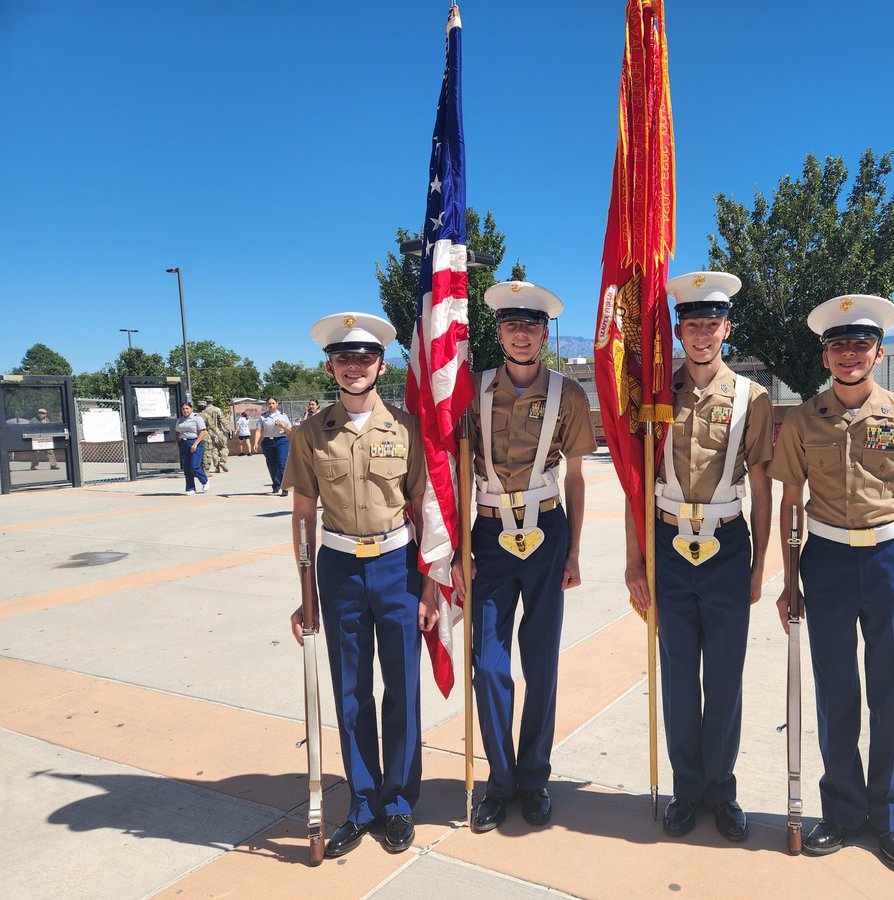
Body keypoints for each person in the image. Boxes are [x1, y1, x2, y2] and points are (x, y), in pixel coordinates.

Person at [769, 294, 894, 872]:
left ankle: (890, 818)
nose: (849, 355)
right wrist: (789, 580)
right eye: (838, 345)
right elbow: (789, 505)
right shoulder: (802, 420)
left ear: (878, 351)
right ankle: (843, 812)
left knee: (891, 690)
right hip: (824, 559)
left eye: (860, 345)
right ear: (825, 355)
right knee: (835, 688)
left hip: (890, 560)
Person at [624, 271, 773, 842]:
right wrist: (636, 562)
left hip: (727, 545)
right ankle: (688, 788)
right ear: (678, 331)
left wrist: (761, 565)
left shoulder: (750, 399)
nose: (702, 334)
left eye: (712, 324)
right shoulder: (657, 397)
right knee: (680, 672)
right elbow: (636, 484)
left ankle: (722, 788)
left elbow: (762, 487)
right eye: (692, 325)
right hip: (668, 542)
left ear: (726, 329)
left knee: (726, 675)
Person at [284, 311, 439, 858]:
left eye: (365, 358)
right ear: (330, 365)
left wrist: (430, 587)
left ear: (381, 364)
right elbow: (304, 518)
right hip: (340, 569)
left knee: (401, 688)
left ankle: (397, 803)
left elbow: (424, 510)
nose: (354, 367)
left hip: (397, 567)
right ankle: (363, 802)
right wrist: (307, 597)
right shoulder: (309, 433)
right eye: (344, 358)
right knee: (351, 692)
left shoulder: (407, 429)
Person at [452, 281, 596, 834]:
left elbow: (578, 478)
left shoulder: (570, 395)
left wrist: (575, 551)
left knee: (541, 663)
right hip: (488, 536)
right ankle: (499, 779)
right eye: (511, 324)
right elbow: (457, 471)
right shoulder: (472, 390)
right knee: (488, 664)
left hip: (546, 533)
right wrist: (459, 552)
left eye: (531, 325)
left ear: (544, 333)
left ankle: (534, 777)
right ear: (499, 331)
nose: (521, 334)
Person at [254, 396, 292, 495]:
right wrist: (256, 442)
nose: (271, 405)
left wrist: (283, 426)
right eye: (269, 403)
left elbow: (290, 431)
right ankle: (276, 485)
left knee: (282, 464)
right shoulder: (263, 416)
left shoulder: (283, 415)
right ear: (267, 405)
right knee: (271, 464)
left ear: (277, 404)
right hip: (268, 442)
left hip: (281, 441)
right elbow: (258, 430)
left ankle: (285, 487)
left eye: (273, 403)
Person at [174, 402, 208, 495]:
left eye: (187, 408)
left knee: (194, 466)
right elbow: (177, 432)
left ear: (191, 409)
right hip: (184, 443)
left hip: (194, 442)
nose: (185, 410)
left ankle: (204, 481)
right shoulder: (180, 420)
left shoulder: (197, 418)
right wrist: (178, 442)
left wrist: (195, 444)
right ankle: (190, 488)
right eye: (183, 409)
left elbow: (202, 432)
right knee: (187, 468)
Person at [199, 395, 231, 474]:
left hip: (207, 433)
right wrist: (228, 429)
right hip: (217, 431)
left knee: (213, 449)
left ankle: (217, 467)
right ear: (212, 401)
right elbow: (223, 420)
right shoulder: (217, 409)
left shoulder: (202, 411)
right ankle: (222, 461)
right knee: (224, 447)